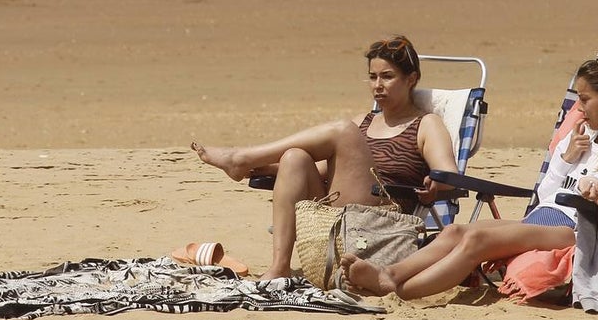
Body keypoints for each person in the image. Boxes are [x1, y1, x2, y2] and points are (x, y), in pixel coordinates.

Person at [342, 51, 598, 301]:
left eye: (585, 100)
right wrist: (566, 158)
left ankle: (398, 289)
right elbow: (545, 195)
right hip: (544, 218)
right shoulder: (582, 137)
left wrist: (594, 183)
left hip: (578, 229)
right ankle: (391, 275)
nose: (579, 108)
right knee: (456, 231)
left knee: (477, 239)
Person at [191, 35, 459, 281]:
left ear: (411, 79)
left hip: (382, 221)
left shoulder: (426, 124)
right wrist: (269, 168)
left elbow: (451, 176)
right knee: (295, 157)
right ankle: (280, 266)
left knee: (343, 131)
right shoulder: (364, 122)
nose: (377, 86)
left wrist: (436, 184)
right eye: (372, 77)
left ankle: (241, 158)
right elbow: (321, 171)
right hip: (339, 214)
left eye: (387, 77)